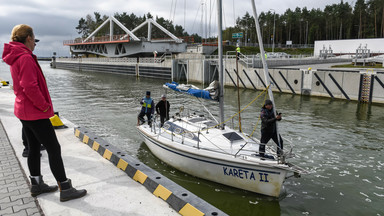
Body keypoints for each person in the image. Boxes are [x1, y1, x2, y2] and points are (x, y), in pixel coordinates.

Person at [2, 24, 86, 202]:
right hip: (35, 112)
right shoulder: (25, 57)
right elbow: (30, 87)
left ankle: (37, 184)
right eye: (34, 39)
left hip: (23, 110)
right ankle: (65, 187)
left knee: (33, 148)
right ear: (29, 38)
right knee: (54, 148)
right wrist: (45, 107)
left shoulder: (16, 56)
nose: (35, 44)